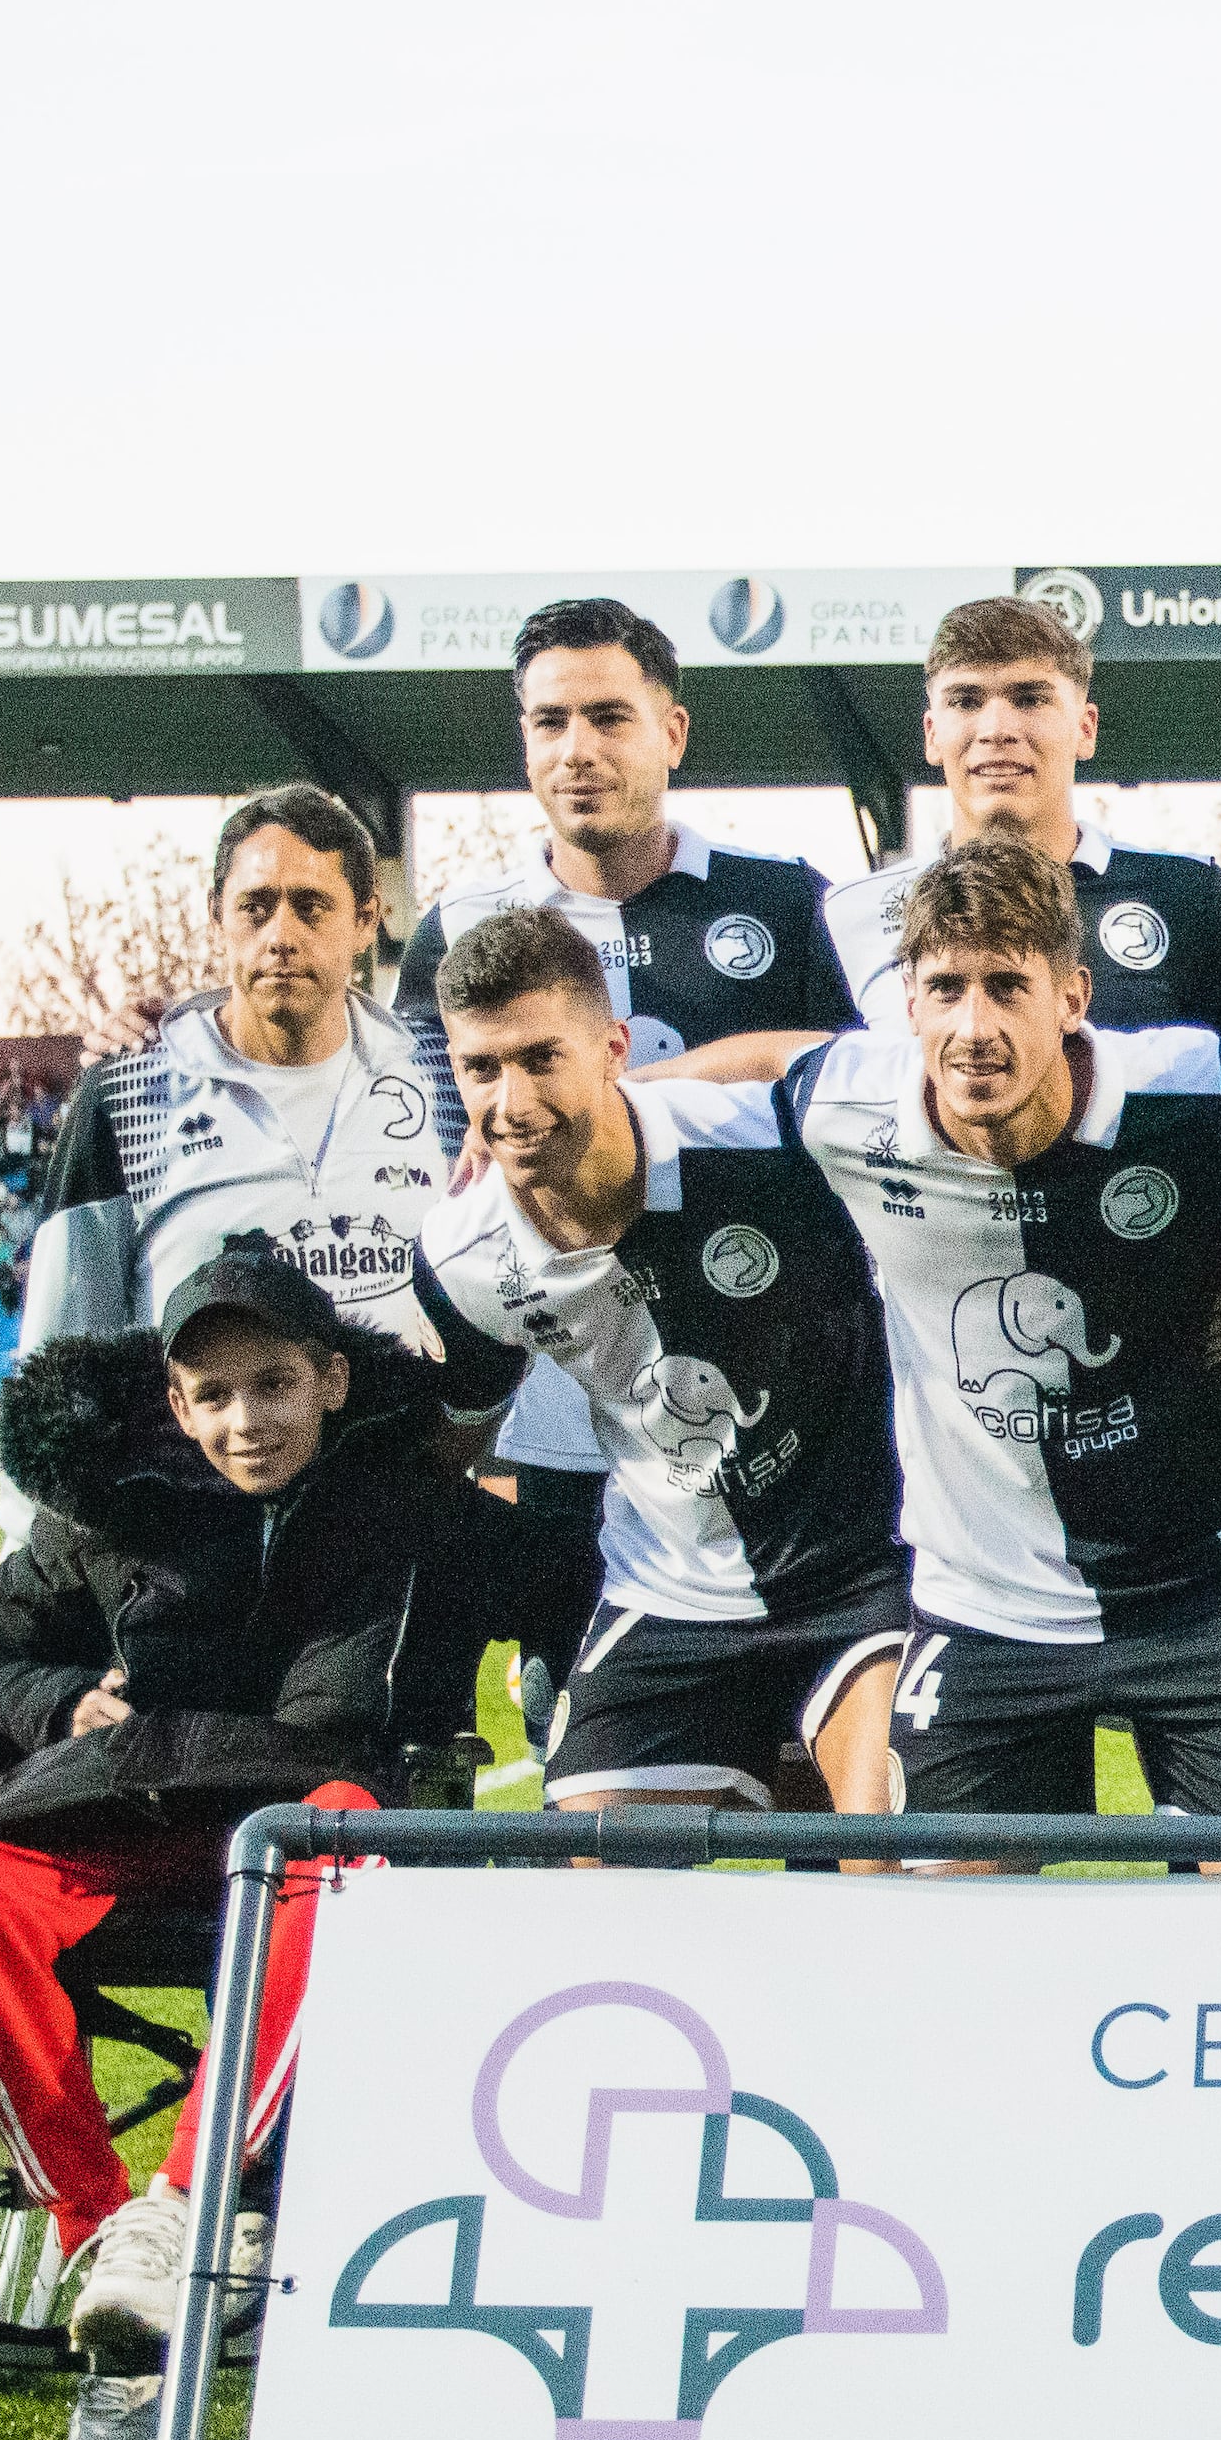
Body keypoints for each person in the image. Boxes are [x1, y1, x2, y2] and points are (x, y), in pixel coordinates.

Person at [0, 1243, 529, 2440]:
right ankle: (110, 2253)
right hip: (135, 1806)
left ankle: (183, 2211)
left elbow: (584, 1592)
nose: (244, 1421)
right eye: (213, 1396)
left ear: (332, 1383)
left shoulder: (410, 1507)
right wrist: (54, 1701)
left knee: (343, 1840)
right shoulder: (105, 1509)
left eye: (273, 1386)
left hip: (303, 1831)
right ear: (175, 1402)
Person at [667, 833, 1221, 1821]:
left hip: (1202, 1588)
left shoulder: (1192, 1087)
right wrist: (603, 1092)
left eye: (1007, 987)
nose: (974, 1025)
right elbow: (763, 1068)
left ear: (1072, 997)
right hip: (983, 1602)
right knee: (943, 1925)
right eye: (946, 989)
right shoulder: (849, 1105)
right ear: (908, 1006)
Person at [399, 600, 857, 1724]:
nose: (577, 749)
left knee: (816, 1788)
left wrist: (620, 1099)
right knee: (594, 1760)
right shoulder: (459, 927)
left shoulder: (783, 901)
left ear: (674, 731)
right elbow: (456, 1163)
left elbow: (853, 1088)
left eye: (609, 716)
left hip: (775, 1410)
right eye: (549, 721)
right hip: (569, 1433)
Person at [409, 912, 905, 1817]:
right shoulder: (459, 1257)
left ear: (611, 1047)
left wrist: (661, 1080)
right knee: (606, 1897)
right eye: (482, 1067)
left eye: (540, 1058)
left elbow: (865, 1063)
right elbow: (455, 1438)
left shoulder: (765, 1141)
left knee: (897, 1858)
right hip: (669, 1593)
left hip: (865, 1573)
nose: (511, 1105)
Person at [9, 788, 461, 1511]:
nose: (281, 933)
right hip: (191, 1556)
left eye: (312, 906)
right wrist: (30, 1563)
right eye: (255, 906)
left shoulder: (444, 1078)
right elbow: (55, 1362)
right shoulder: (129, 1090)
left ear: (366, 918)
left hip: (388, 1540)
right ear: (215, 915)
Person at [822, 594, 1221, 1076]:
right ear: (931, 733)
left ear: (1085, 728)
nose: (996, 729)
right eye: (966, 701)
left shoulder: (1189, 897)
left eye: (1030, 699)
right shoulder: (848, 913)